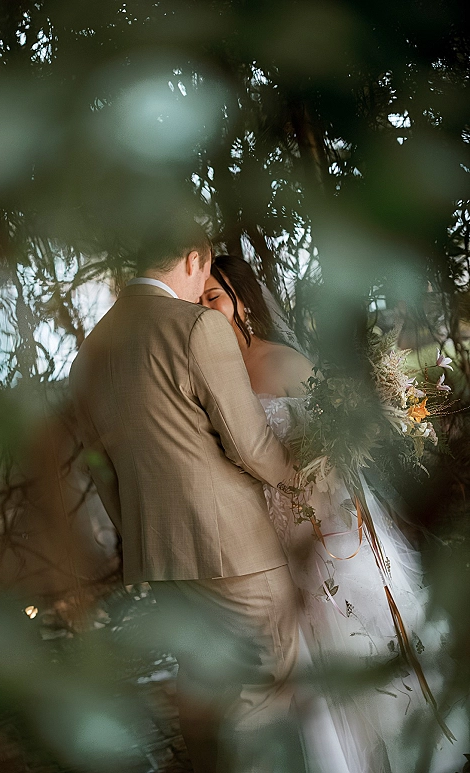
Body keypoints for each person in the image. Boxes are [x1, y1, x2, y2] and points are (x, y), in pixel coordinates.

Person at [201, 254, 463, 773]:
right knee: (315, 659)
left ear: (240, 300)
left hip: (333, 528)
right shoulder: (215, 372)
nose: (207, 310)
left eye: (214, 297)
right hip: (275, 536)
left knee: (364, 640)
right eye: (199, 301)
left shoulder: (283, 362)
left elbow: (339, 444)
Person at [70, 224, 300, 773]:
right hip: (235, 553)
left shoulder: (88, 353)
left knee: (205, 695)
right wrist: (305, 479)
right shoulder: (195, 326)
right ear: (195, 259)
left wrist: (140, 536)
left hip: (161, 559)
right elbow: (251, 442)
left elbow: (101, 469)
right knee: (264, 693)